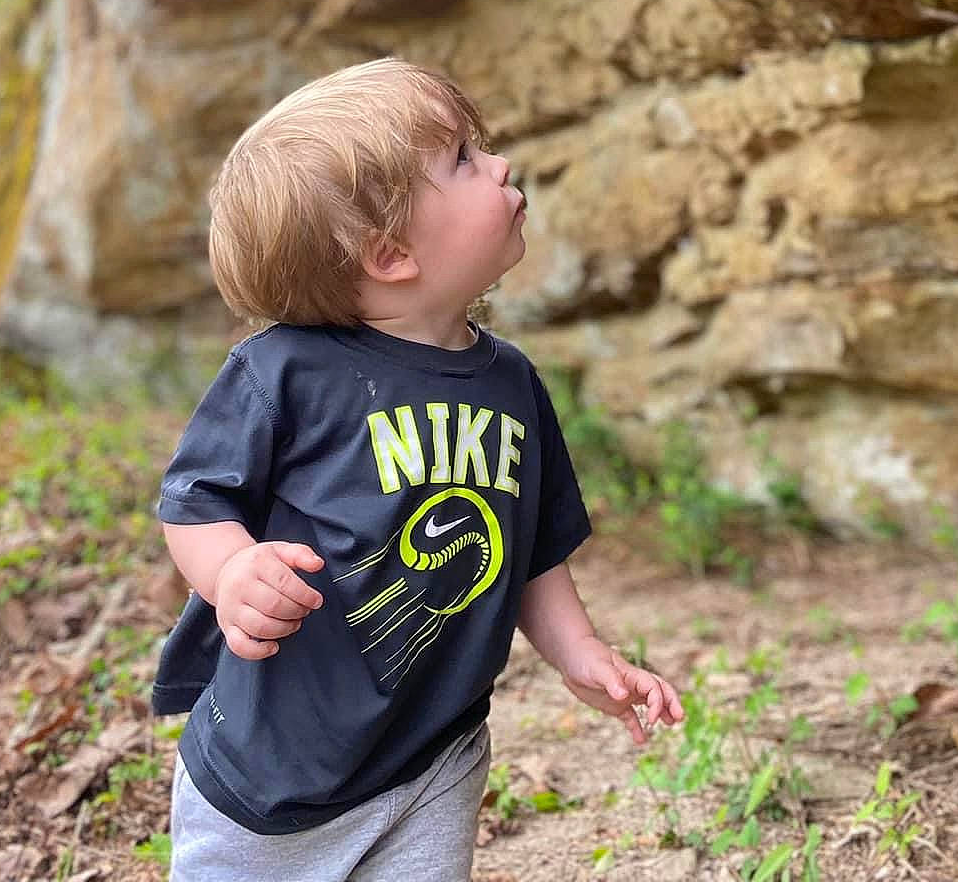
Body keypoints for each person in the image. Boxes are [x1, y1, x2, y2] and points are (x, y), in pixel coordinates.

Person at [152, 57, 683, 880]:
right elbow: (194, 502)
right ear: (391, 253)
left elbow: (532, 547)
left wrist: (579, 651)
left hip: (434, 754)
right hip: (274, 776)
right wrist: (232, 573)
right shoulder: (284, 373)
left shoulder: (511, 382)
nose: (500, 165)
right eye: (465, 159)